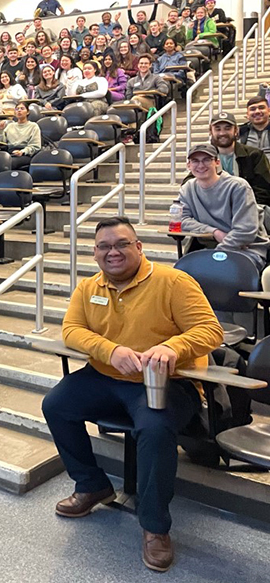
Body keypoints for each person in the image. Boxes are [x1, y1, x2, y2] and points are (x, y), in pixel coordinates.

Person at [41, 216, 223, 573]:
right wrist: (110, 351)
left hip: (167, 382)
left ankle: (155, 526)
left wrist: (174, 346)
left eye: (122, 244)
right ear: (95, 253)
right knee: (56, 405)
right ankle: (93, 485)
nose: (114, 252)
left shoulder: (173, 282)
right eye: (105, 246)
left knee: (154, 430)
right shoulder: (88, 287)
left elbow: (210, 330)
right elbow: (72, 329)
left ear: (139, 247)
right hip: (106, 375)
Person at [175, 143, 269, 271]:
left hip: (247, 251)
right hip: (211, 248)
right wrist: (214, 232)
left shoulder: (238, 186)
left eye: (207, 160)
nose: (201, 165)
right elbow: (181, 220)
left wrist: (214, 255)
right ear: (189, 165)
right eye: (195, 161)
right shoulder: (187, 189)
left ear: (217, 162)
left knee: (215, 272)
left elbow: (245, 232)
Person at [208, 112, 270, 206]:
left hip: (249, 209)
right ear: (211, 131)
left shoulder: (254, 155)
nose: (222, 133)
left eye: (227, 128)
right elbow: (190, 182)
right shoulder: (205, 157)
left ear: (236, 130)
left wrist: (247, 210)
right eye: (218, 129)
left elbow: (263, 190)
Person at [0, 102, 42, 169]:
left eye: (22, 108)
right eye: (17, 109)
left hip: (25, 154)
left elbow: (35, 146)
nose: (19, 110)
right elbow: (1, 142)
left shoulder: (33, 126)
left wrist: (22, 151)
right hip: (9, 152)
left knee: (8, 163)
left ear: (27, 112)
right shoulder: (10, 126)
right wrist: (1, 131)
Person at [238, 96, 270, 160]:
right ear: (247, 114)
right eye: (253, 109)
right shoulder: (239, 132)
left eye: (261, 108)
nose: (257, 111)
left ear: (269, 111)